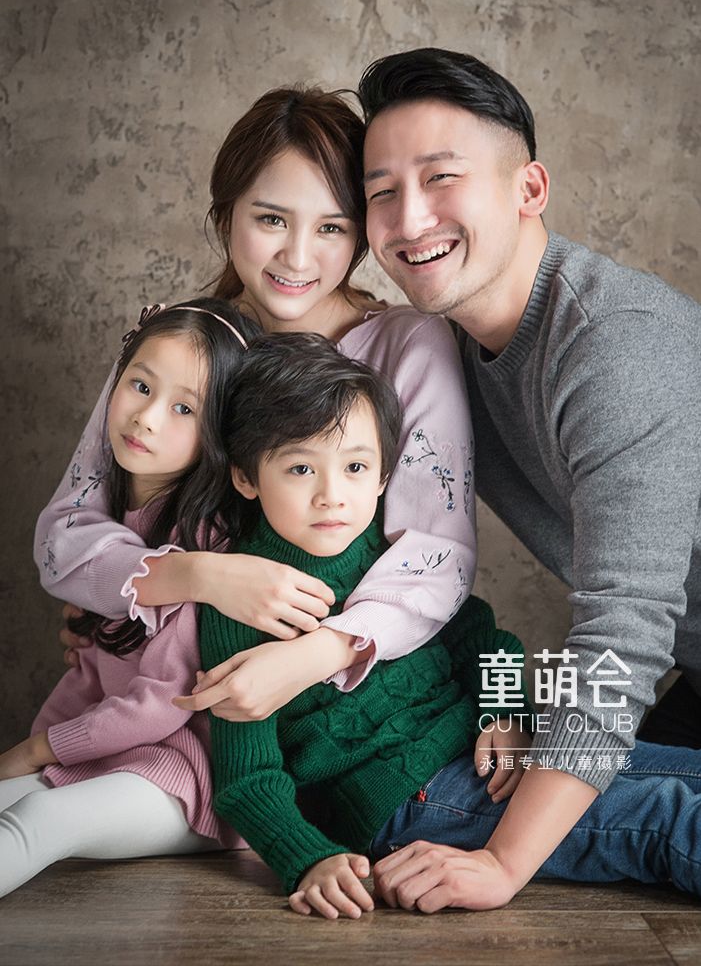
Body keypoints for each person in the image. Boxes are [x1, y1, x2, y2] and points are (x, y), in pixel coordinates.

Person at [356, 47, 701, 910]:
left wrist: (503, 866)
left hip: (650, 652)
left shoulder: (611, 344)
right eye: (380, 192)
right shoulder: (442, 349)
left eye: (441, 177)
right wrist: (140, 598)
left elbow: (622, 631)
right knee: (470, 790)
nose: (409, 218)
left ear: (529, 189)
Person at [197, 331, 701, 920]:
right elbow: (247, 776)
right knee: (662, 817)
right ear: (246, 476)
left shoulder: (396, 551)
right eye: (301, 468)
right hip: (411, 800)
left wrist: (506, 715)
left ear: (383, 475)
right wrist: (308, 859)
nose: (332, 496)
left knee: (689, 772)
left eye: (355, 466)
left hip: (486, 752)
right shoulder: (241, 599)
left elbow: (485, 641)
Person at [34, 87, 477, 723]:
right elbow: (65, 537)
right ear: (226, 216)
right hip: (157, 703)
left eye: (331, 228)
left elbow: (438, 557)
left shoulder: (408, 346)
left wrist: (316, 654)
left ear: (360, 237)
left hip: (347, 714)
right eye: (271, 219)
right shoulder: (175, 344)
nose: (297, 257)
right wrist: (193, 577)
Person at [0, 299, 260, 897]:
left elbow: (162, 704)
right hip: (115, 751)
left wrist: (39, 750)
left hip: (188, 774)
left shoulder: (207, 543)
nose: (146, 418)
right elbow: (90, 674)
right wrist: (44, 754)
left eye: (184, 409)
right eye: (140, 386)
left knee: (38, 822)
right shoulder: (116, 527)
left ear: (220, 434)